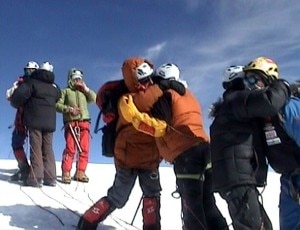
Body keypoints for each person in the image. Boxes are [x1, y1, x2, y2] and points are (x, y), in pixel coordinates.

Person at [118, 63, 229, 230]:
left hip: (186, 155)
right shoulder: (189, 95)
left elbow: (161, 127)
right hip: (205, 149)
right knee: (208, 203)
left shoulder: (167, 95)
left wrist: (135, 116)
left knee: (192, 207)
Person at [77, 58, 179, 230]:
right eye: (145, 79)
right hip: (142, 158)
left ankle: (88, 221)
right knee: (147, 195)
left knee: (123, 196)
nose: (149, 82)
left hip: (129, 157)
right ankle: (150, 227)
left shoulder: (126, 98)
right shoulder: (143, 97)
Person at [209, 60, 291, 230]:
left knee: (262, 226)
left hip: (235, 179)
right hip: (238, 180)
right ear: (239, 82)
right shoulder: (238, 100)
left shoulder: (229, 106)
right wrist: (282, 85)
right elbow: (269, 102)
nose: (251, 85)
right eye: (248, 80)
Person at [243, 57, 300, 230]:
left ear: (268, 79)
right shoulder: (260, 117)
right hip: (288, 180)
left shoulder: (288, 107)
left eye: (253, 79)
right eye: (246, 80)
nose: (249, 85)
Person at [10, 61, 61, 187]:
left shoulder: (32, 82)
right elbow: (58, 96)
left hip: (34, 120)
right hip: (50, 122)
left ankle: (36, 178)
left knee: (36, 147)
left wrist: (17, 103)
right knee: (48, 148)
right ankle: (50, 177)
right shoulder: (54, 87)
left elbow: (18, 97)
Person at [56, 68, 96, 184]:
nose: (78, 81)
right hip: (71, 123)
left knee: (84, 149)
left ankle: (80, 172)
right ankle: (66, 172)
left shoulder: (84, 92)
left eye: (79, 79)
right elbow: (57, 105)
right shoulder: (66, 91)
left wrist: (86, 89)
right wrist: (69, 109)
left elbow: (94, 98)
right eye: (75, 79)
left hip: (84, 123)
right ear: (70, 80)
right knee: (70, 149)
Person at [6, 61, 39, 182]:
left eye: (32, 70)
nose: (29, 73)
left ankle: (36, 171)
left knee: (36, 147)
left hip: (35, 120)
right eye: (27, 70)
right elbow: (8, 95)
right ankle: (25, 169)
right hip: (22, 119)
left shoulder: (40, 84)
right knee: (17, 143)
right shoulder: (20, 83)